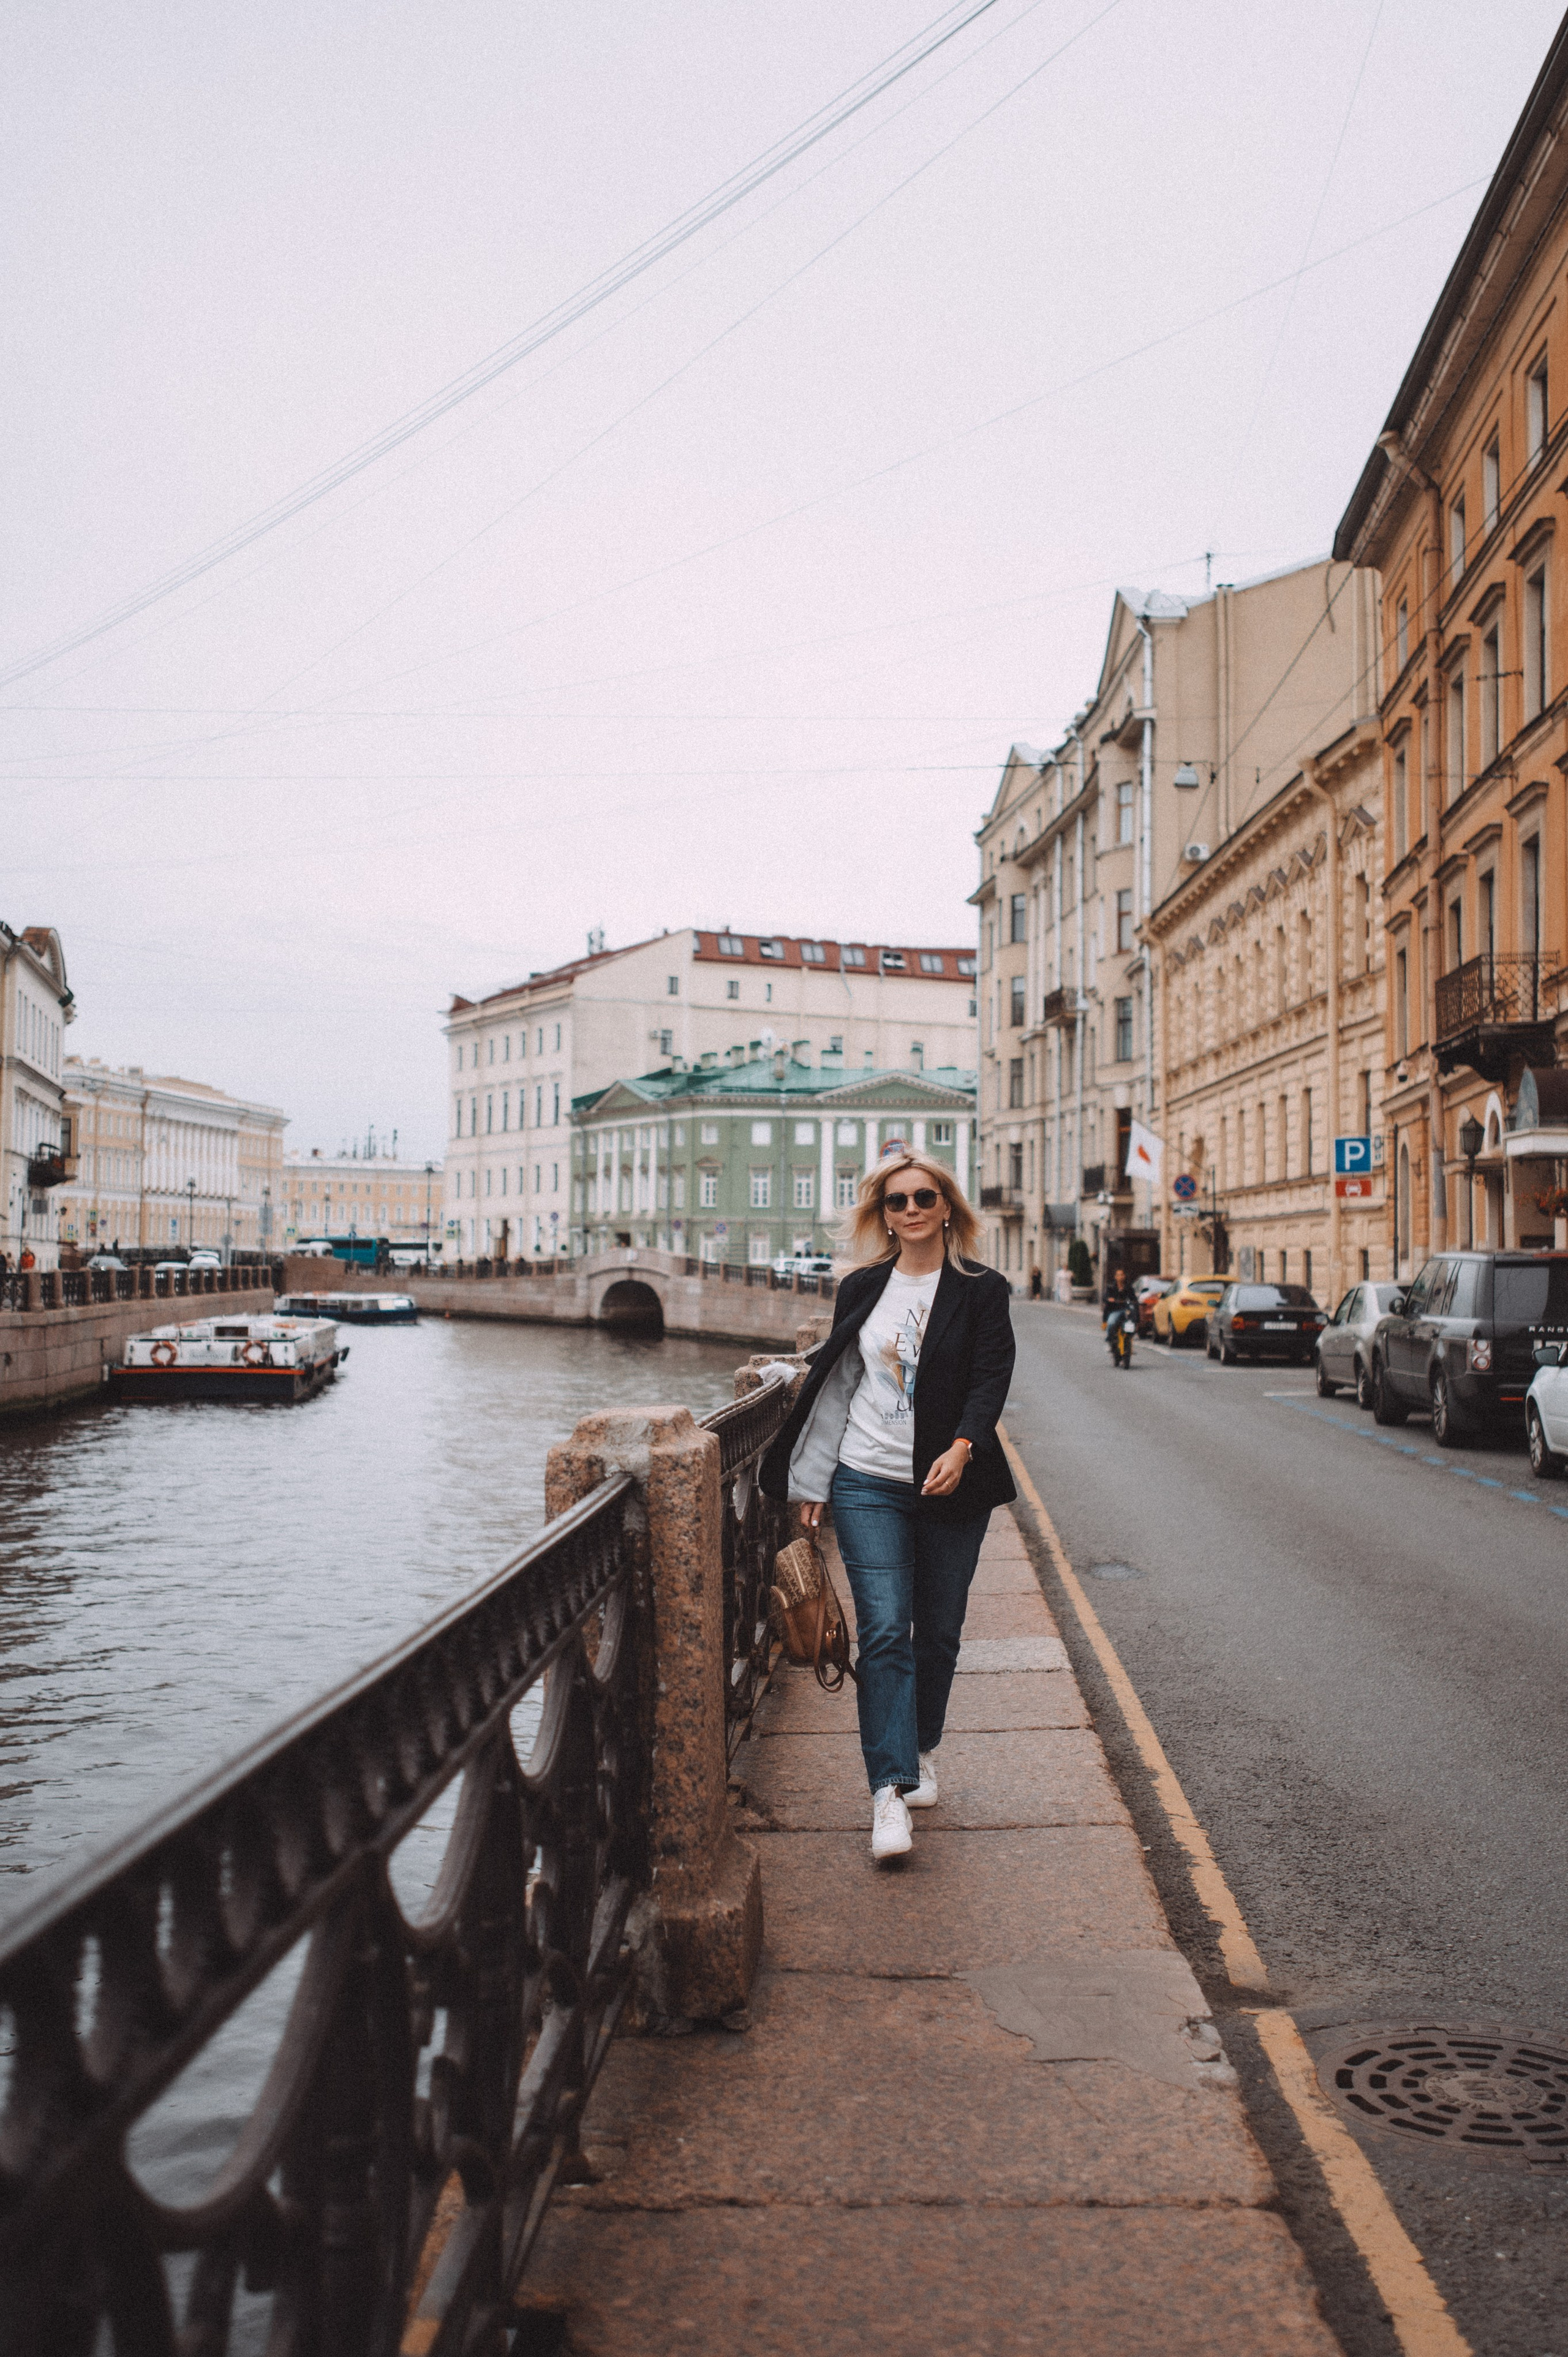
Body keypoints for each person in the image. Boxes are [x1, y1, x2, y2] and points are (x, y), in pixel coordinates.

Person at [760, 1154, 1016, 1863]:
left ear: (946, 1206)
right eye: (896, 1201)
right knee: (881, 1632)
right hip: (866, 1479)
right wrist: (813, 1478)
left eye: (923, 1197)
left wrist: (962, 1446)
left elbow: (991, 1376)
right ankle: (888, 1790)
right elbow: (840, 1381)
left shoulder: (981, 1289)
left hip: (950, 1482)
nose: (910, 1209)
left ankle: (920, 1746)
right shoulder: (863, 1286)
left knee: (938, 1632)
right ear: (884, 1213)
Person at [1102, 1261, 1136, 1365]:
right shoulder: (1111, 1287)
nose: (1120, 1277)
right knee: (1111, 1323)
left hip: (1126, 1311)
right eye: (1118, 1275)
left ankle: (1129, 1343)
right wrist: (1110, 1299)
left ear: (1124, 1276)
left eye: (1122, 1275)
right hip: (1115, 1311)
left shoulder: (1129, 1287)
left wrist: (1134, 1302)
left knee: (1131, 1325)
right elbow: (1105, 1297)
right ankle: (1110, 1341)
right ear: (1115, 1277)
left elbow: (1134, 1299)